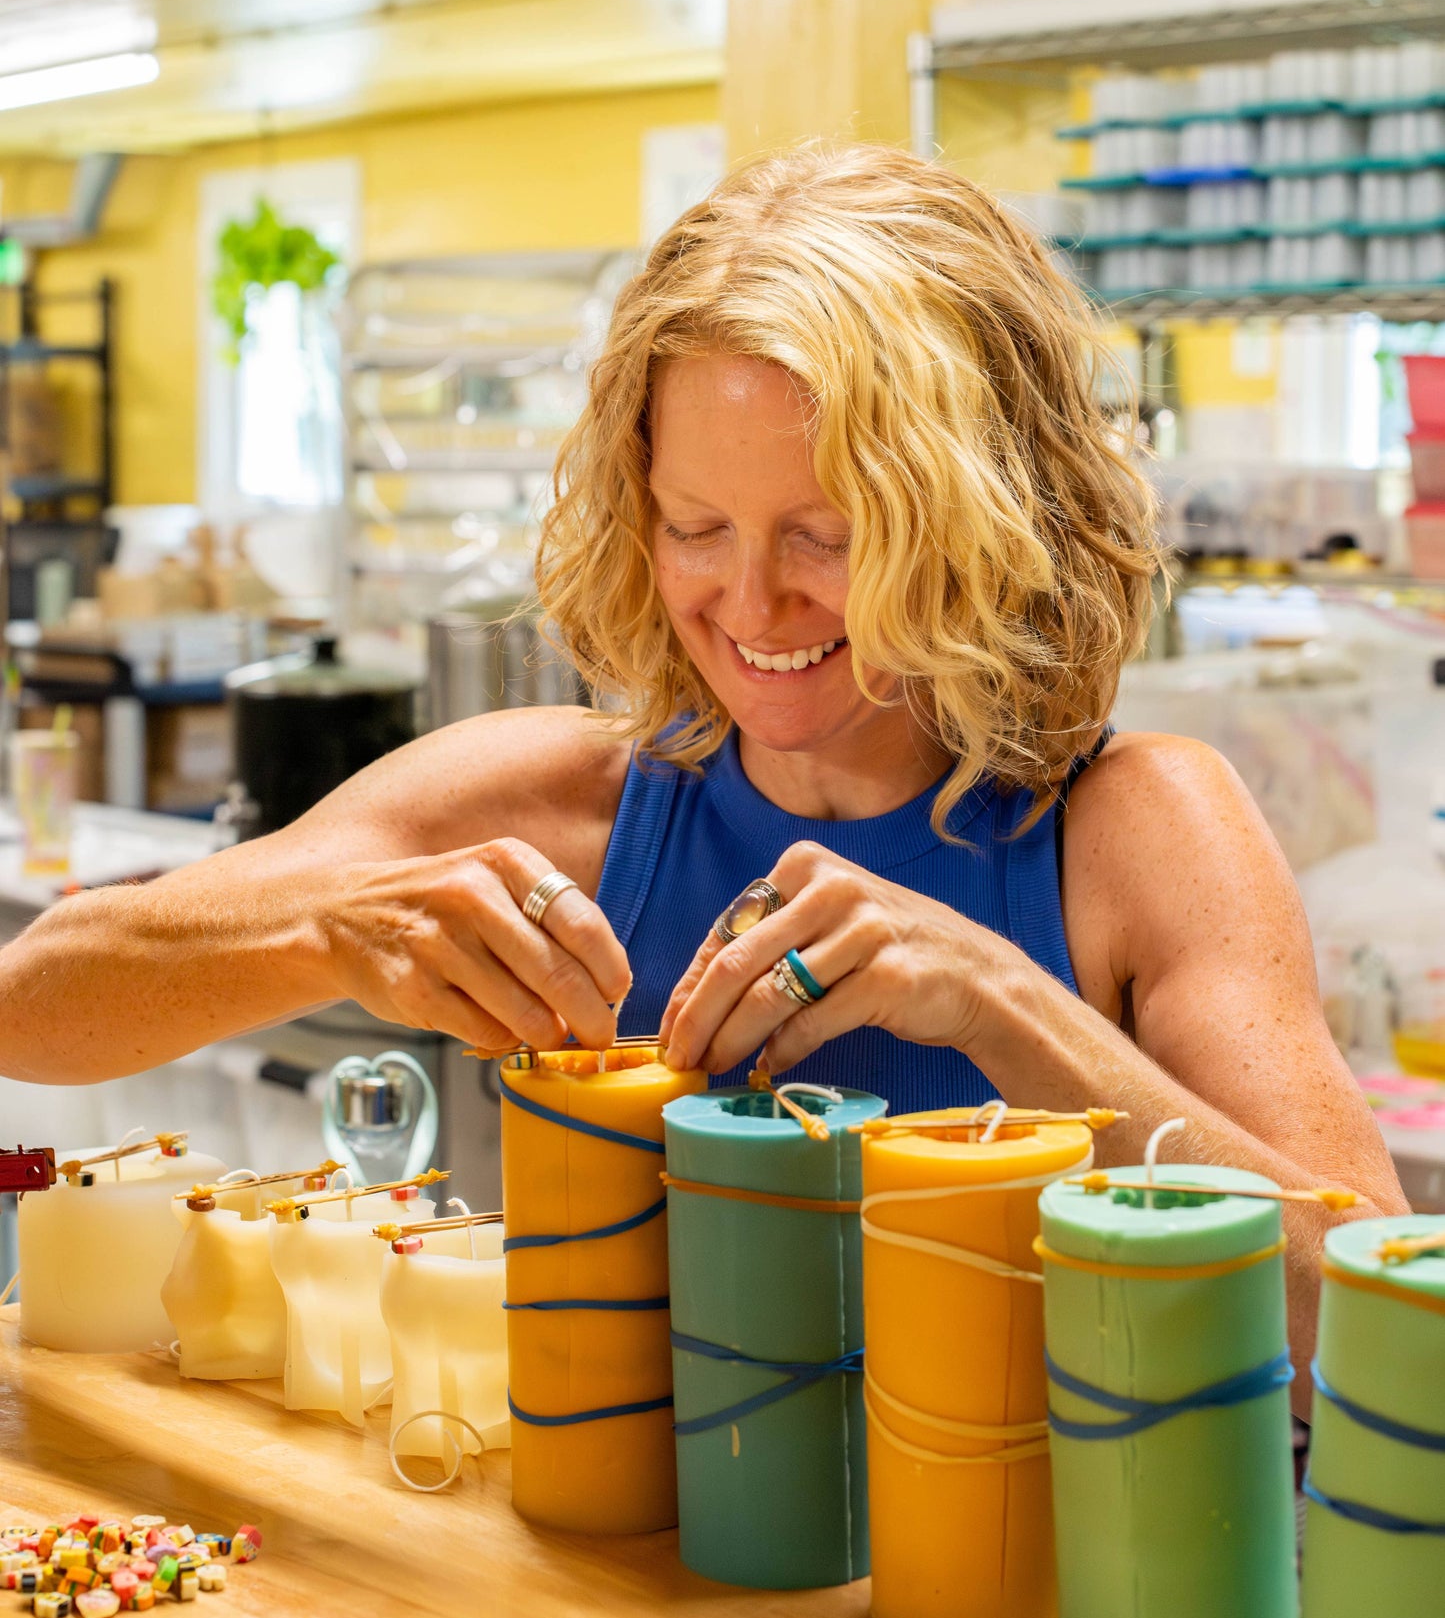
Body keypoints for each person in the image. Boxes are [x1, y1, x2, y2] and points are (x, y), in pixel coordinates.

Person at [0, 144, 1404, 1390]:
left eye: (828, 535)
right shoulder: (560, 803)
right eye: (695, 527)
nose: (751, 604)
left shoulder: (1133, 829)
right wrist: (324, 927)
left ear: (983, 518)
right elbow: (34, 1007)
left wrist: (1005, 1008)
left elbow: (1376, 1326)